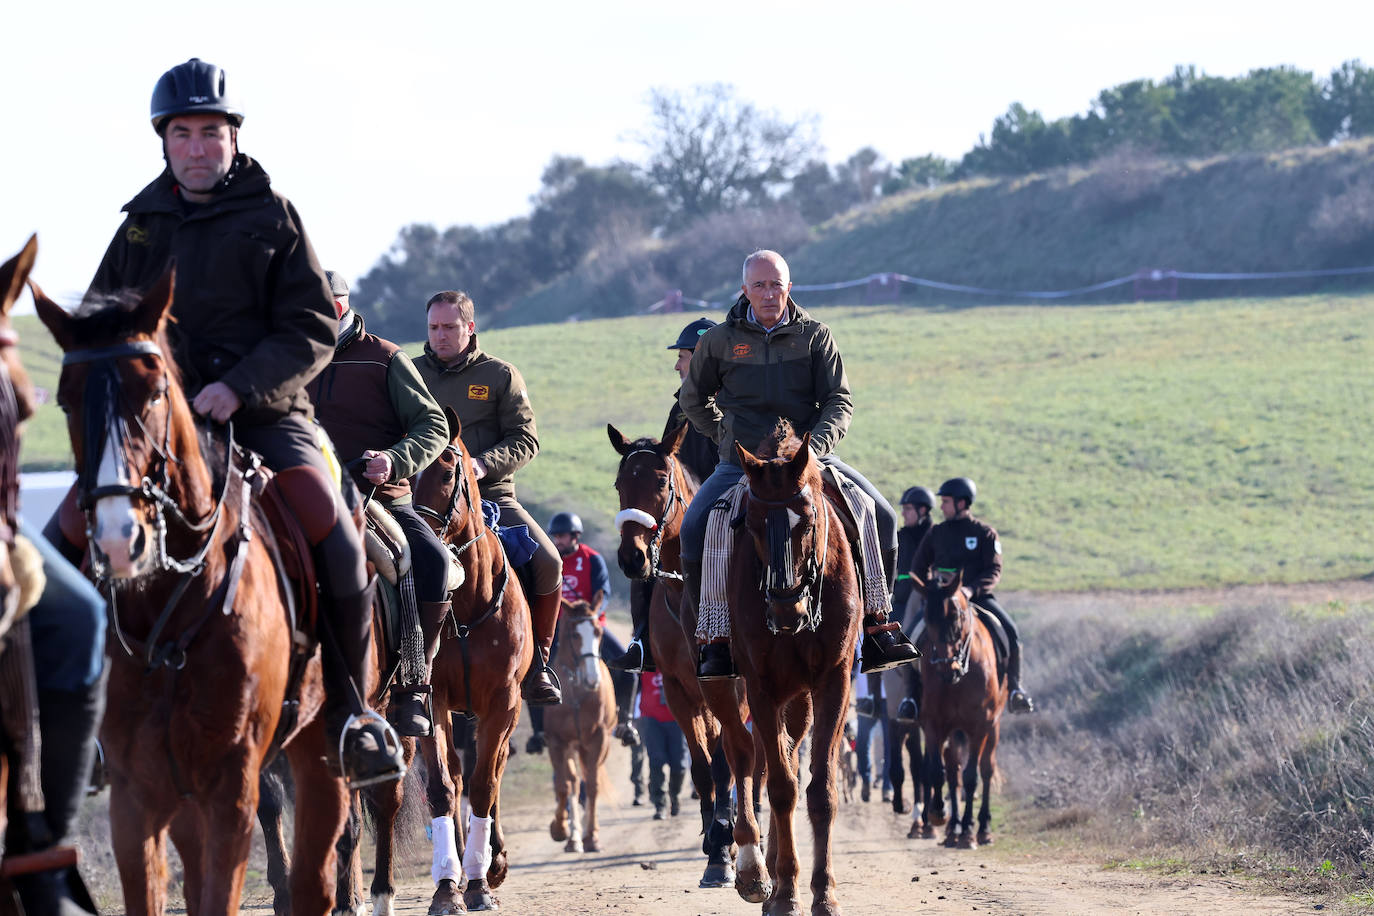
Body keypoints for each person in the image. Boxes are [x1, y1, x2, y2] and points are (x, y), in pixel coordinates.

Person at [74, 58, 402, 787]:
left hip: (267, 413)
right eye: (183, 133)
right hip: (161, 427)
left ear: (232, 139)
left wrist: (237, 387)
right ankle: (88, 721)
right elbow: (100, 326)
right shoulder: (139, 228)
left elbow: (314, 326)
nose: (197, 147)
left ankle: (355, 716)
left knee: (339, 536)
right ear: (164, 142)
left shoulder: (273, 215)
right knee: (74, 528)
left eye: (211, 133)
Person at [678, 250, 919, 678]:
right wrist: (726, 438)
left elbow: (838, 401)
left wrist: (816, 447)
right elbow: (694, 399)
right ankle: (713, 640)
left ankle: (879, 624)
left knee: (881, 515)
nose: (769, 293)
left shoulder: (816, 335)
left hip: (808, 459)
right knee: (695, 526)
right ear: (744, 290)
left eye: (776, 284)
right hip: (742, 464)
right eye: (759, 286)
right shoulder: (718, 340)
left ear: (790, 287)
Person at [306, 271, 449, 737]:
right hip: (301, 492)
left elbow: (433, 426)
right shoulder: (288, 359)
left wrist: (393, 460)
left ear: (342, 306)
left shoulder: (385, 358)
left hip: (377, 496)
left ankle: (413, 684)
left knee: (430, 561)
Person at [415, 290, 563, 711]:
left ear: (470, 328)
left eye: (449, 327)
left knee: (549, 561)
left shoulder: (500, 375)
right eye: (433, 328)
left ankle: (539, 666)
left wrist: (481, 466)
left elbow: (526, 438)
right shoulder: (407, 373)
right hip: (422, 498)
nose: (440, 336)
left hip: (490, 495)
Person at [605, 316, 719, 674]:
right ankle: (642, 640)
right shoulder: (679, 407)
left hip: (725, 502)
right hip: (685, 505)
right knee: (647, 545)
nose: (677, 365)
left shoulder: (735, 402)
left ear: (701, 358)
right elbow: (669, 463)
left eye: (682, 356)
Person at [909, 477, 1034, 713]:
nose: (942, 506)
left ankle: (1016, 689)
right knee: (909, 639)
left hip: (977, 598)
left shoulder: (984, 533)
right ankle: (911, 698)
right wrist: (933, 590)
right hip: (944, 603)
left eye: (946, 501)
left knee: (1011, 632)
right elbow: (917, 568)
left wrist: (970, 589)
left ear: (962, 503)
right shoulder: (936, 533)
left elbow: (994, 570)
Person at [540, 512, 640, 751]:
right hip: (560, 630)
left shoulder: (592, 559)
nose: (557, 541)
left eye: (562, 536)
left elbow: (603, 593)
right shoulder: (550, 560)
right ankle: (538, 732)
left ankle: (625, 722)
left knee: (628, 670)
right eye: (555, 536)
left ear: (575, 536)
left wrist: (594, 614)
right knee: (537, 673)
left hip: (589, 626)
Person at [892, 486, 935, 722]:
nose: (904, 513)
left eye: (908, 509)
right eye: (904, 509)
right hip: (900, 600)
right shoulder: (900, 537)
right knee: (877, 637)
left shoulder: (936, 536)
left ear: (922, 510)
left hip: (927, 601)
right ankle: (873, 697)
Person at [635, 671, 687, 819]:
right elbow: (632, 685)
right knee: (656, 761)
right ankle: (660, 804)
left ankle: (674, 795)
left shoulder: (677, 660)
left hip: (677, 719)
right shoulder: (645, 662)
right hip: (651, 720)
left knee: (680, 765)